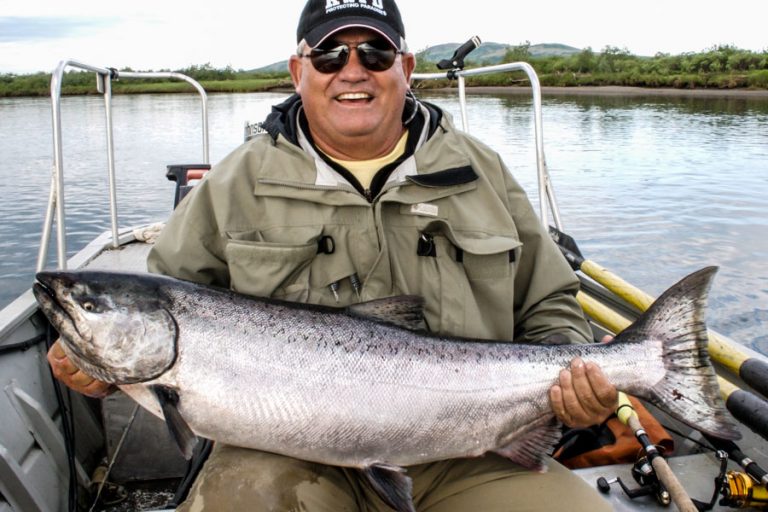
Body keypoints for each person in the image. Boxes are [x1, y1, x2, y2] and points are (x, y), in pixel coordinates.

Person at [48, 0, 618, 510]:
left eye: (375, 53)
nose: (352, 71)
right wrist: (96, 368)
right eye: (327, 55)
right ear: (299, 72)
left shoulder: (481, 170)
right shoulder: (235, 182)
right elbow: (166, 296)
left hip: (469, 449)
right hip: (282, 456)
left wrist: (577, 381)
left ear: (406, 68)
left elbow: (549, 300)